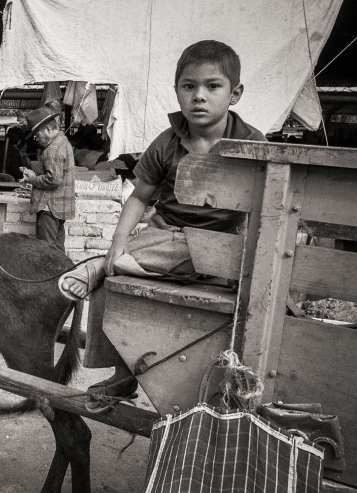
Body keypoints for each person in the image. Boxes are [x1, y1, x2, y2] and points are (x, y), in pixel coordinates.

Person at [56, 40, 266, 409]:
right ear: (177, 92)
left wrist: (252, 263)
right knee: (113, 278)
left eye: (212, 86)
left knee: (199, 254)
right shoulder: (167, 142)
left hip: (223, 248)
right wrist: (116, 245)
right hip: (166, 236)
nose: (199, 96)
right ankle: (121, 379)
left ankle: (99, 267)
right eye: (189, 86)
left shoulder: (252, 144)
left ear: (235, 94)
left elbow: (261, 211)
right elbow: (139, 197)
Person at [19, 104, 76, 250]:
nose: (36, 139)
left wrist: (33, 179)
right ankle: (63, 273)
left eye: (37, 134)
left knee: (45, 250)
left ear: (48, 130)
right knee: (57, 248)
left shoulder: (53, 148)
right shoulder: (63, 142)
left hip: (50, 207)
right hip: (58, 206)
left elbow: (53, 180)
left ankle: (50, 274)